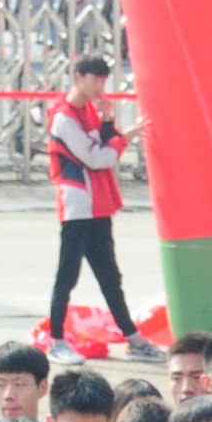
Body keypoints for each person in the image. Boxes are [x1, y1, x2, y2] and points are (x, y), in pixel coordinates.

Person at [41, 58, 138, 346]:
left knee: (110, 275)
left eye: (103, 81)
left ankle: (133, 336)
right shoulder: (65, 117)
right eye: (95, 80)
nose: (100, 87)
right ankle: (56, 338)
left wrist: (110, 124)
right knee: (67, 275)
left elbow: (102, 147)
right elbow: (96, 158)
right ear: (78, 77)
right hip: (78, 206)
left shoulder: (88, 111)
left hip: (97, 205)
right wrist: (120, 141)